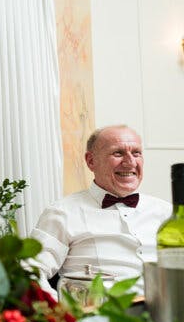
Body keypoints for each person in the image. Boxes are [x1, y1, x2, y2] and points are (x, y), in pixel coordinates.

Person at [30, 125, 171, 295]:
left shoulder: (165, 212)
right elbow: (31, 271)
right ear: (91, 161)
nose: (130, 162)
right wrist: (60, 313)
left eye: (136, 153)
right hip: (99, 317)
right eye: (118, 153)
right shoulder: (62, 213)